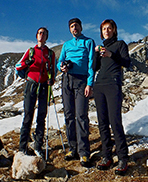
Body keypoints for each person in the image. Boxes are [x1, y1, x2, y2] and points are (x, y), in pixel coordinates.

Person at [92, 19, 130, 175]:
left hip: (113, 84)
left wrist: (111, 55)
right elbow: (95, 68)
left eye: (109, 28)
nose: (106, 31)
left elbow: (127, 62)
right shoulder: (101, 48)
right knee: (102, 123)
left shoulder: (120, 44)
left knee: (115, 122)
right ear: (101, 32)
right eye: (104, 29)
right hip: (99, 85)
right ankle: (106, 156)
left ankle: (123, 158)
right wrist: (95, 54)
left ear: (114, 30)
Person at [57, 18, 95, 167]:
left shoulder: (89, 42)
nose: (74, 28)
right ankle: (72, 148)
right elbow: (60, 61)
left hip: (81, 81)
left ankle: (84, 152)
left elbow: (91, 64)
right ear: (70, 29)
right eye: (72, 26)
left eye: (76, 26)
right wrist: (62, 67)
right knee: (68, 115)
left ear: (81, 27)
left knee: (81, 116)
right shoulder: (66, 45)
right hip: (67, 80)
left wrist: (89, 83)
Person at [15, 27, 56, 158]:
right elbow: (18, 66)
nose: (41, 35)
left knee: (41, 117)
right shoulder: (30, 51)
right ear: (36, 36)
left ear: (46, 37)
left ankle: (38, 146)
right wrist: (27, 63)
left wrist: (52, 80)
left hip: (44, 86)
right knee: (28, 116)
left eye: (44, 33)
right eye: (40, 33)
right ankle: (22, 148)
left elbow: (53, 72)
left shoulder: (50, 53)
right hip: (31, 84)